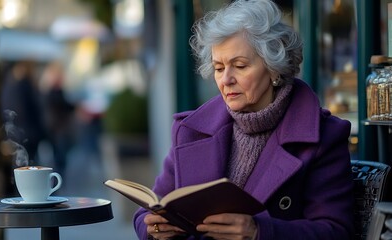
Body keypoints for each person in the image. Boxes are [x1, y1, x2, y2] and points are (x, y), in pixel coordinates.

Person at [133, 0, 354, 239]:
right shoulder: (190, 130)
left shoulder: (323, 136)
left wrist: (259, 232)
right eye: (218, 68)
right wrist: (153, 228)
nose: (226, 79)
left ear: (274, 68)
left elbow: (337, 232)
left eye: (239, 66)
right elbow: (147, 212)